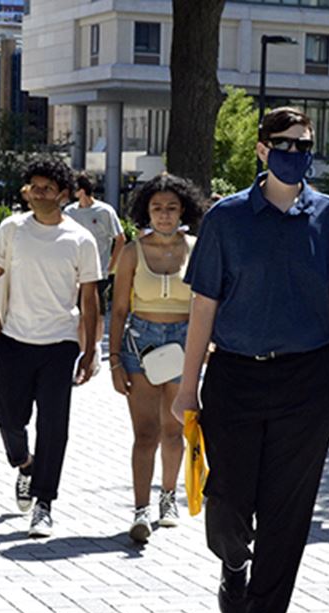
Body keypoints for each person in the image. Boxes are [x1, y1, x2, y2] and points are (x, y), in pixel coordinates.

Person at [171, 106, 329, 613]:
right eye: (285, 143)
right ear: (261, 149)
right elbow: (203, 306)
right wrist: (188, 386)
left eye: (305, 144)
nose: (296, 153)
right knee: (227, 501)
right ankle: (234, 565)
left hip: (308, 381)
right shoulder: (226, 219)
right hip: (235, 374)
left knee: (288, 509)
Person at [0, 159, 103, 538]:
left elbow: (90, 299)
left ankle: (44, 503)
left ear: (64, 194)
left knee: (54, 426)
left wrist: (91, 350)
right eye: (33, 186)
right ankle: (23, 463)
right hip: (14, 340)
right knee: (7, 415)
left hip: (60, 343)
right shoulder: (11, 229)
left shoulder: (80, 240)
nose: (39, 192)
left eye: (47, 187)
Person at [109, 173, 206, 543]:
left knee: (174, 428)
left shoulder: (197, 248)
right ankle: (140, 509)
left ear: (184, 210)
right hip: (141, 345)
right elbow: (118, 310)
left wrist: (207, 347)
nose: (164, 215)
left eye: (171, 208)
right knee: (145, 432)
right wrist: (114, 360)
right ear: (145, 211)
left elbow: (208, 303)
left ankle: (169, 497)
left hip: (185, 342)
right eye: (156, 208)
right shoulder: (133, 251)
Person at [65, 173, 127, 368]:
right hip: (74, 272)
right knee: (78, 313)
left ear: (82, 191)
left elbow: (120, 239)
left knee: (96, 312)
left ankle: (96, 347)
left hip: (99, 271)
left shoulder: (105, 211)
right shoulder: (69, 212)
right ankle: (83, 350)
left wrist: (111, 266)